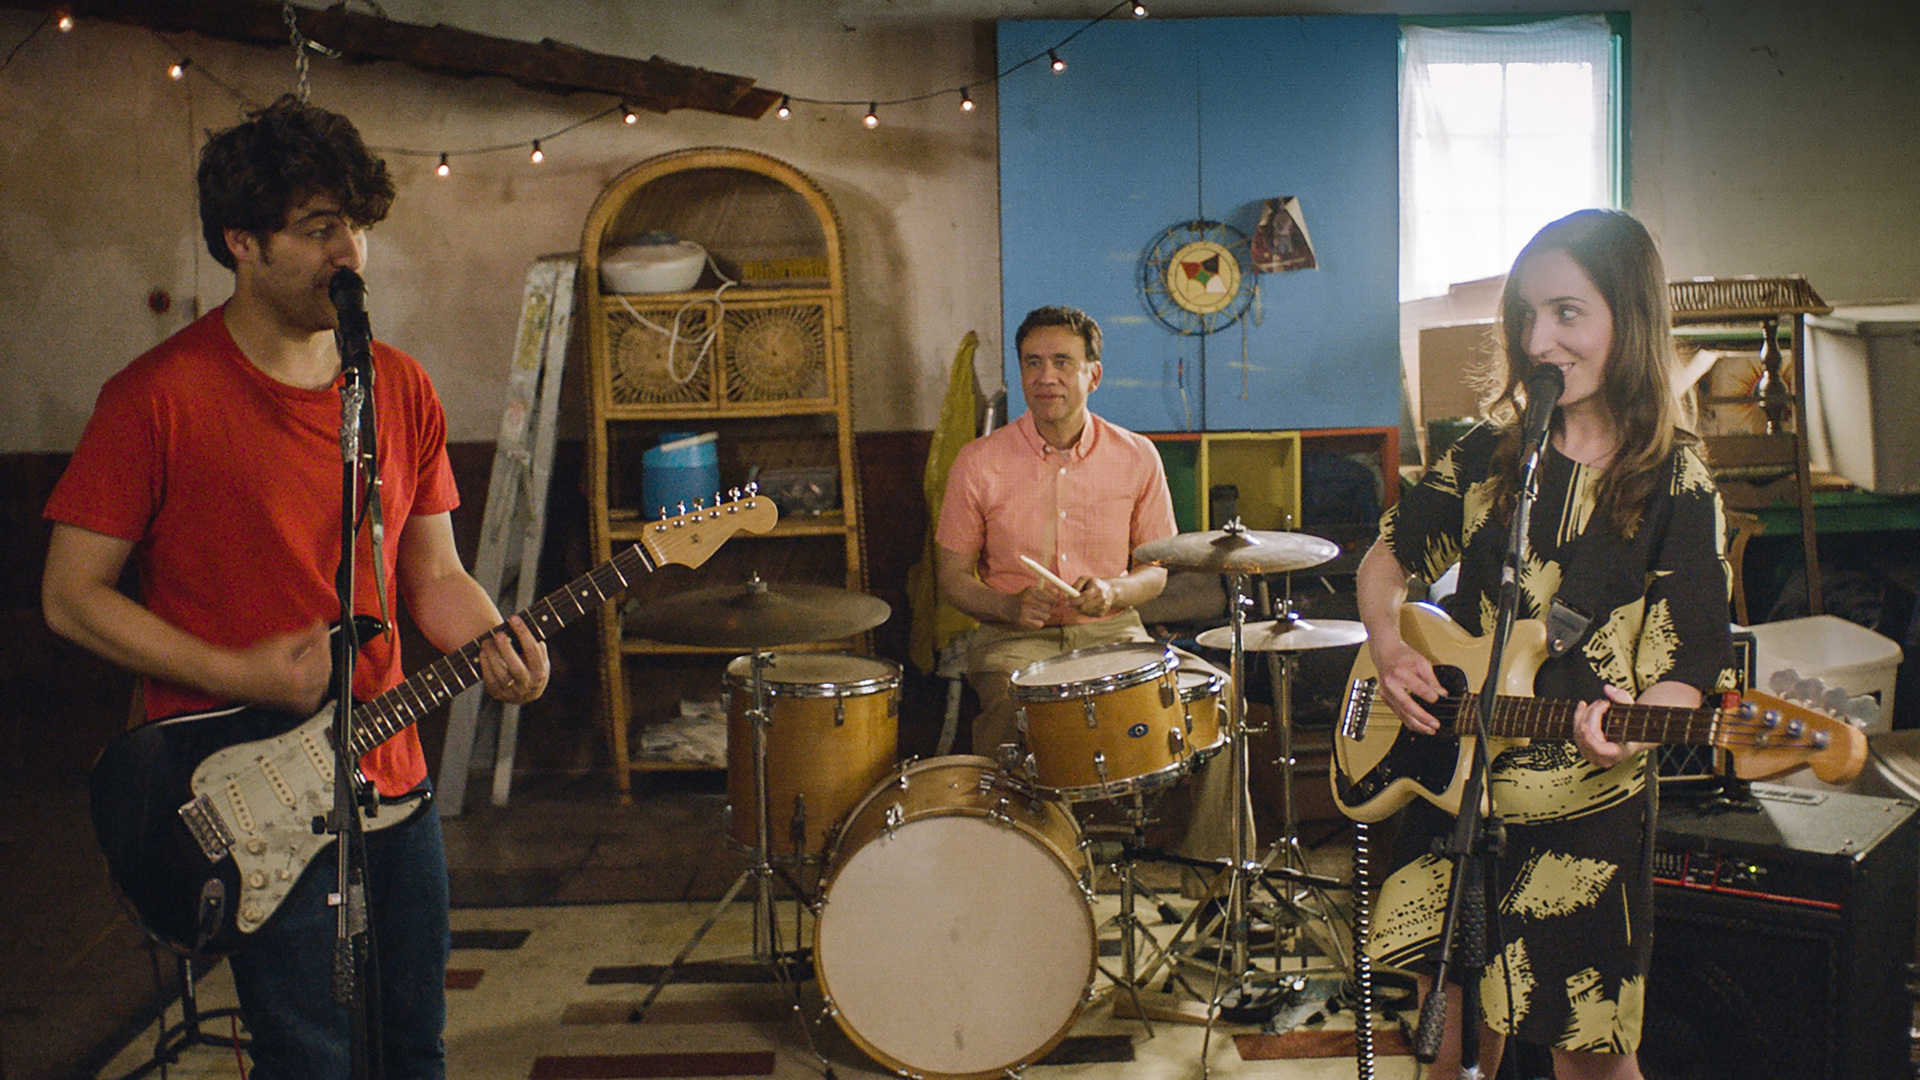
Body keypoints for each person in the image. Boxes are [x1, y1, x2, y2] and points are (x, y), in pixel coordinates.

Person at [41, 95, 549, 1080]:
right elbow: (71, 597)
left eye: (356, 226)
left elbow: (434, 574)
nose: (349, 252)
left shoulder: (399, 385)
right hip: (247, 788)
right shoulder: (154, 399)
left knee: (414, 1048)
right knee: (310, 1058)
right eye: (318, 229)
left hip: (391, 772)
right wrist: (243, 672)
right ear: (242, 241)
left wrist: (498, 643)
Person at [1356, 208, 1733, 1080]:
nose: (1539, 341)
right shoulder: (1490, 452)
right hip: (1450, 785)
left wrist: (1635, 724)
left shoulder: (1677, 481)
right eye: (1528, 315)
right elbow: (1389, 555)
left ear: (1629, 319)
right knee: (1443, 1046)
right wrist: (1388, 643)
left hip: (1582, 815)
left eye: (1568, 313)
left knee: (1589, 1064)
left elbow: (1687, 665)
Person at [934, 305, 1184, 759]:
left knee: (1210, 704)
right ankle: (1007, 807)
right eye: (1033, 363)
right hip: (1012, 640)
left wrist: (1113, 591)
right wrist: (1008, 606)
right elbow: (951, 578)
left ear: (1094, 376)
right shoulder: (976, 462)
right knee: (1013, 713)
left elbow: (1156, 571)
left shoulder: (1138, 456)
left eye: (1062, 362)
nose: (1045, 376)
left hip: (1113, 632)